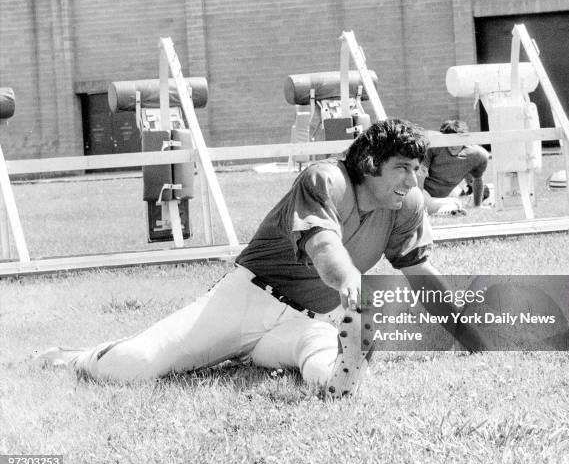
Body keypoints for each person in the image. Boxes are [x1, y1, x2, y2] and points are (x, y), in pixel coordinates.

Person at [38, 119, 482, 397]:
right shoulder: (325, 180)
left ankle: (345, 372)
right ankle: (75, 357)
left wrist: (470, 336)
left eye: (417, 168)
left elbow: (421, 272)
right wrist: (351, 284)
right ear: (368, 162)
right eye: (403, 167)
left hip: (308, 318)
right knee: (136, 366)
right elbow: (325, 249)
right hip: (247, 299)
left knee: (322, 363)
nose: (414, 178)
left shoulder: (405, 204)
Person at [418, 119, 490, 215]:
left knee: (455, 200)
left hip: (440, 197)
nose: (453, 145)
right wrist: (417, 199)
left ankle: (444, 212)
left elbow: (478, 179)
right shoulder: (433, 146)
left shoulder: (478, 155)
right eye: (449, 140)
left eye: (456, 140)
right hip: (422, 191)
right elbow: (420, 174)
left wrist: (477, 206)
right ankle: (441, 211)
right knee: (455, 202)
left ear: (464, 139)